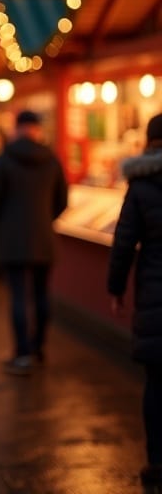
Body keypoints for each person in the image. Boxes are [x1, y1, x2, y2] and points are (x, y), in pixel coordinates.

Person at [0, 109, 68, 376]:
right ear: (37, 128)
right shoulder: (52, 160)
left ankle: (22, 353)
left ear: (17, 127)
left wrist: (5, 224)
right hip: (44, 239)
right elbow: (62, 201)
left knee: (19, 298)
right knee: (42, 295)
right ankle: (39, 348)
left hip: (13, 240)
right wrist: (46, 219)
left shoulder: (3, 160)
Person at [108, 113, 162, 494]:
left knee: (156, 384)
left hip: (154, 295)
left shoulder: (140, 186)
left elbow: (124, 243)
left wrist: (116, 289)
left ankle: (157, 464)